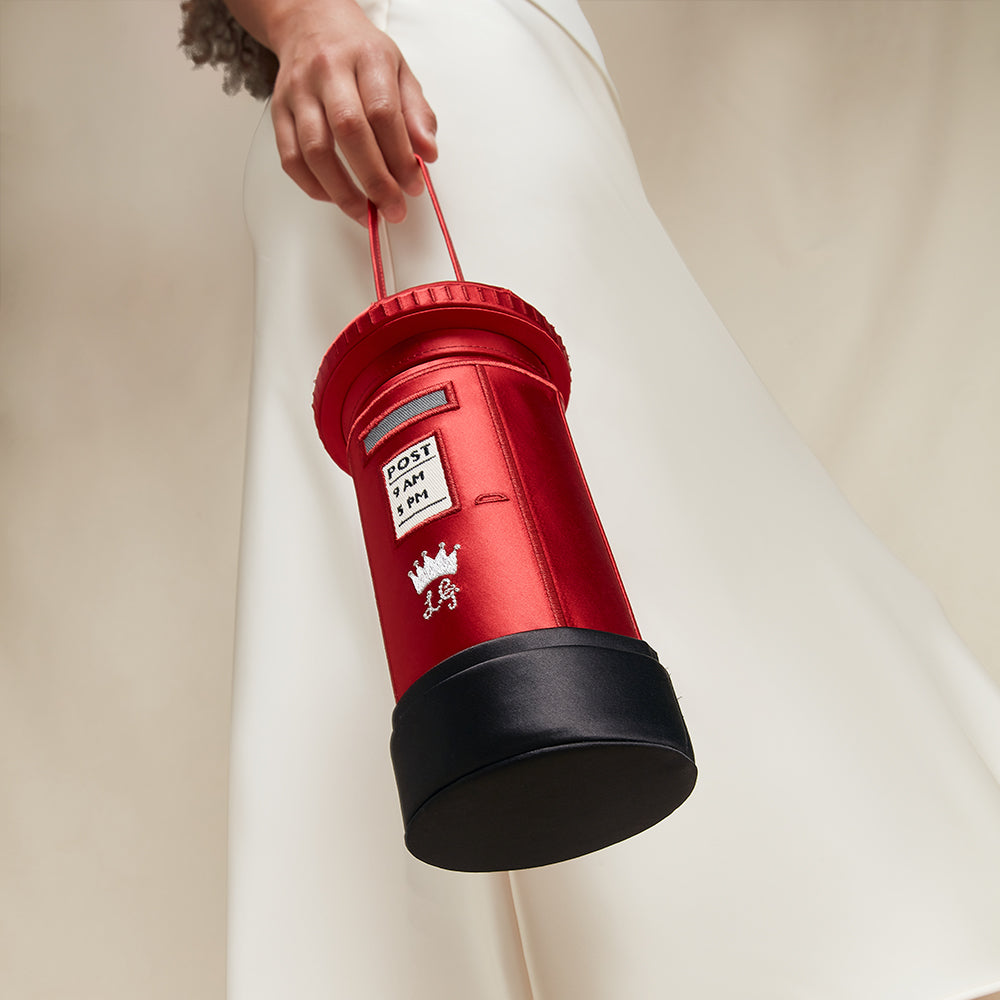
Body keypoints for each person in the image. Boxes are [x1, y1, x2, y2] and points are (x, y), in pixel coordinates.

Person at [181, 2, 1000, 998]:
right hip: (396, 86)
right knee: (527, 562)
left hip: (480, 80)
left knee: (585, 539)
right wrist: (307, 19)